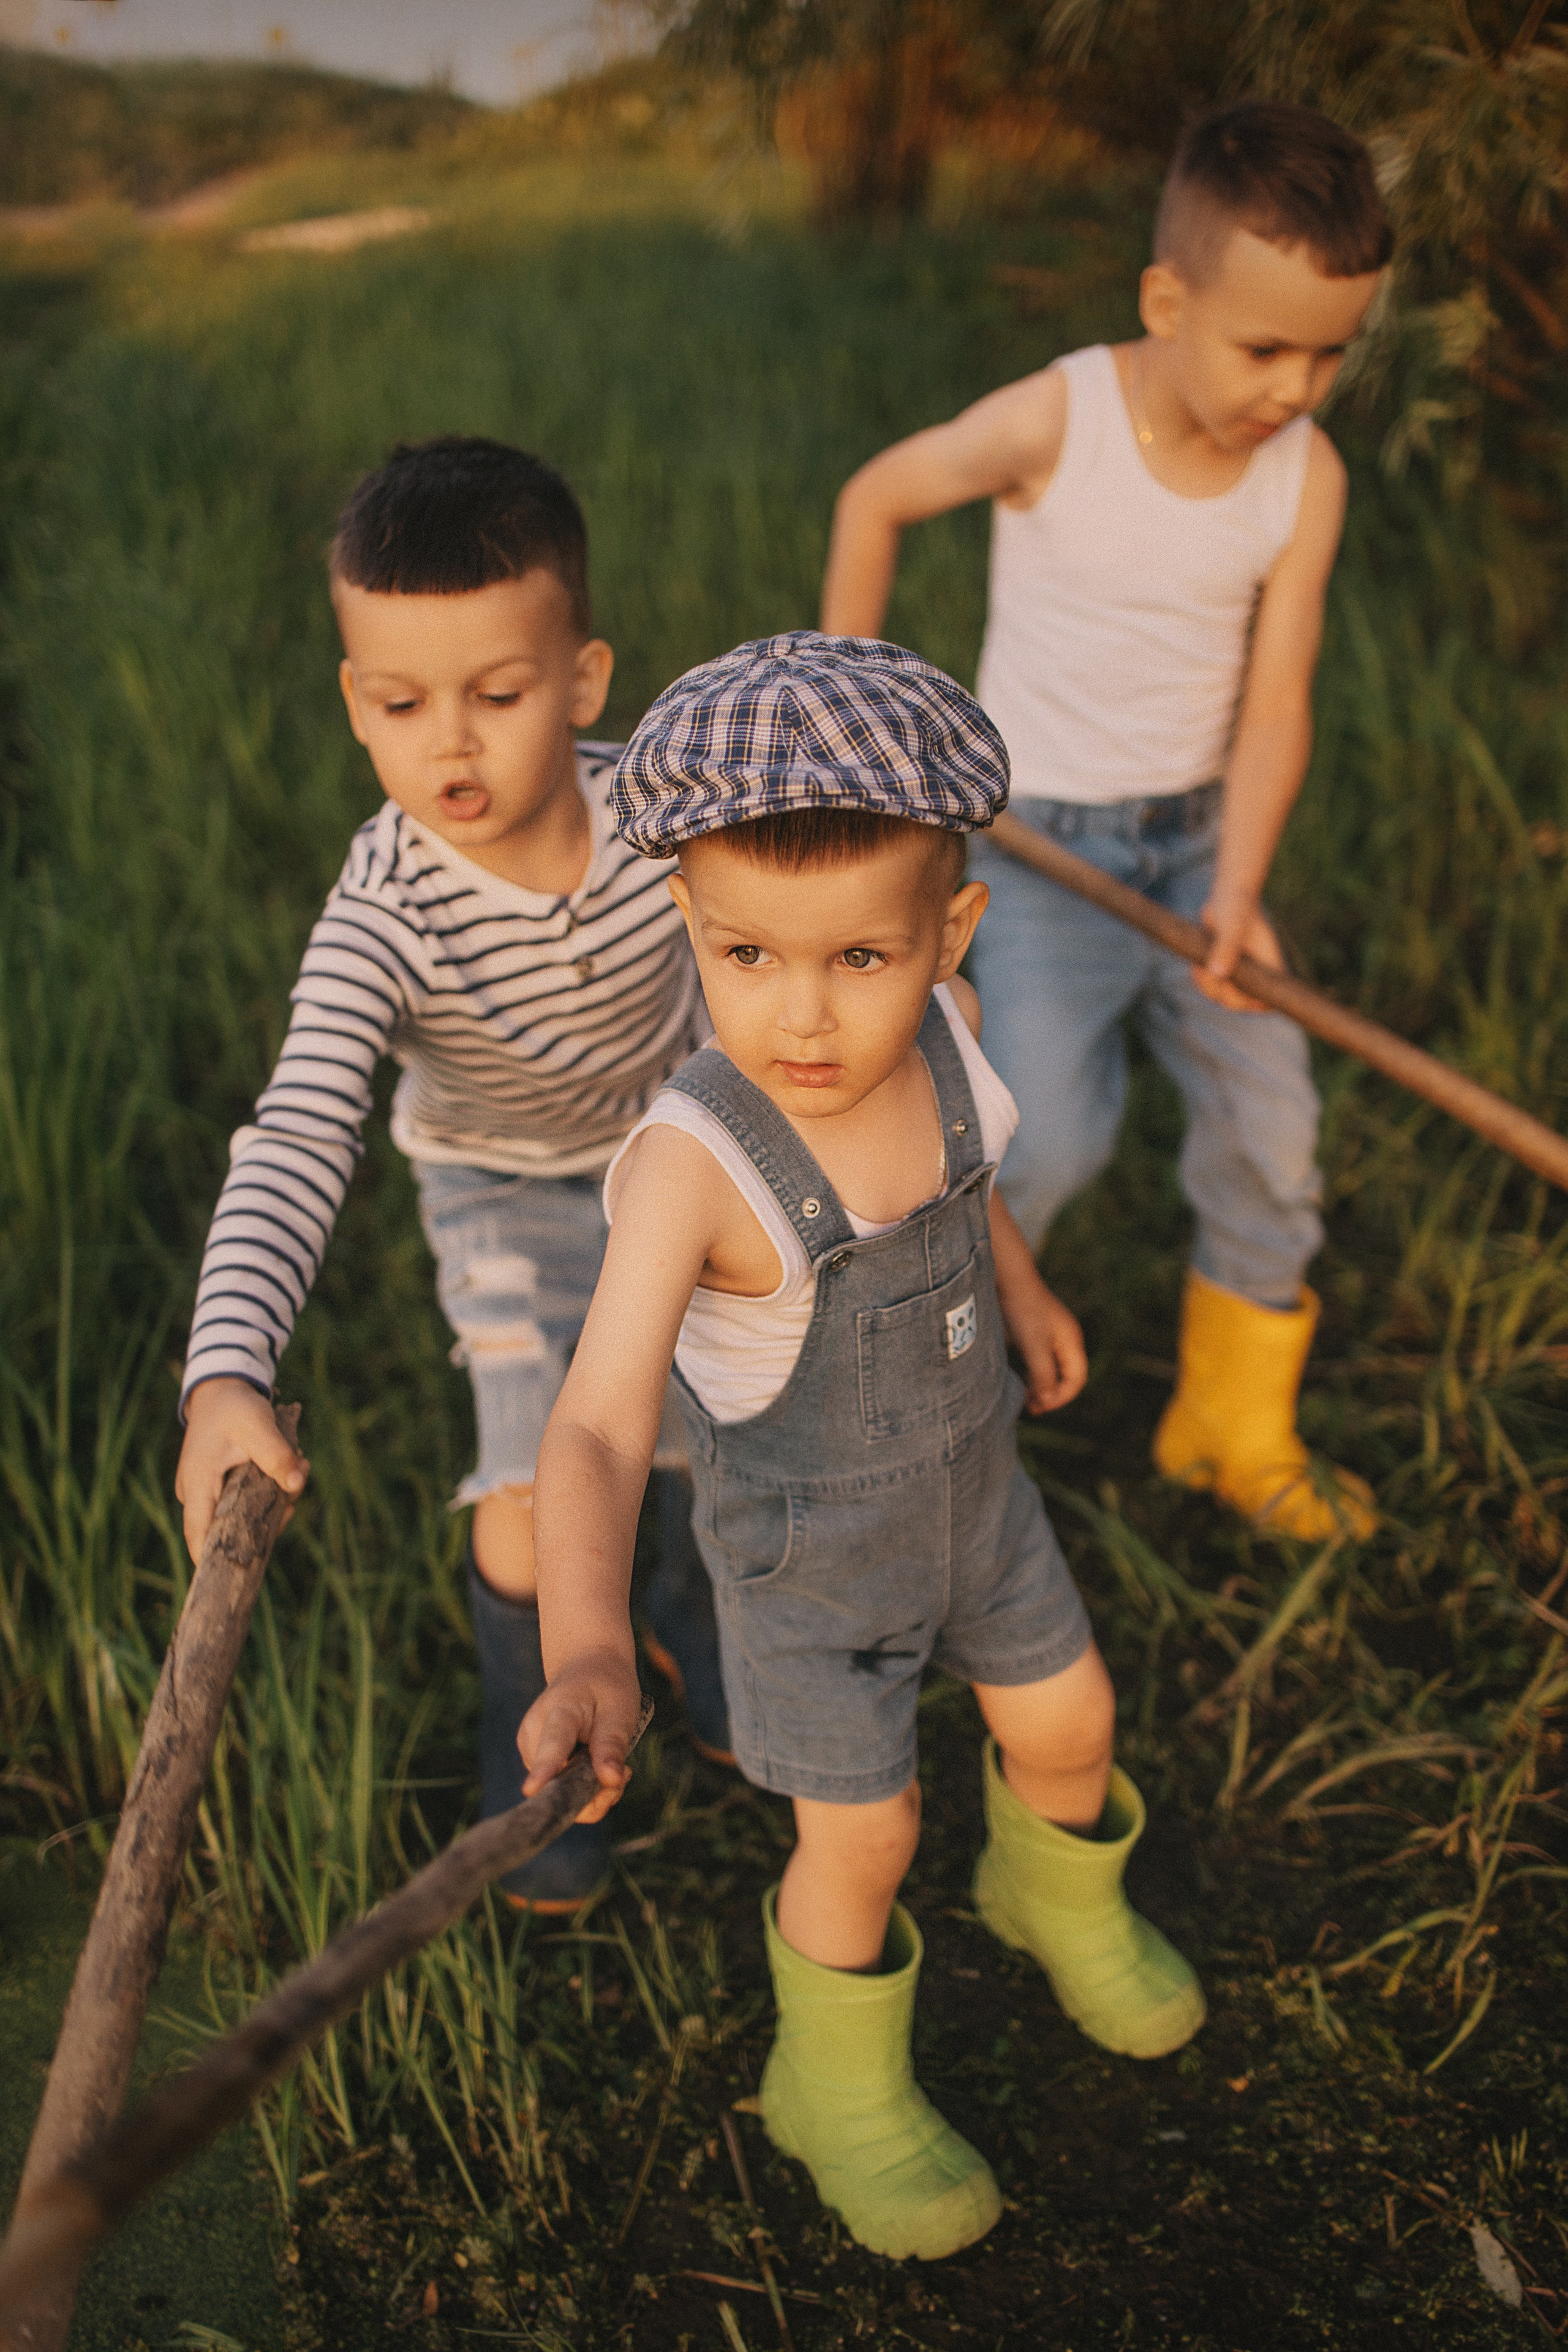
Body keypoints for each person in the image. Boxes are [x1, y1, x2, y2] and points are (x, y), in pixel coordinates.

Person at [519, 631, 1204, 2263]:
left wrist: (1019, 1285)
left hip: (980, 1504)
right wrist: (590, 1634)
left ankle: (1053, 1890)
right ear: (689, 924)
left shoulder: (954, 1041)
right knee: (868, 1832)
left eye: (859, 961)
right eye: (745, 957)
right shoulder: (696, 1162)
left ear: (947, 936)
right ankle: (830, 2084)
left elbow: (966, 1202)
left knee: (1070, 1717)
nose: (805, 1017)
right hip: (811, 1569)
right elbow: (602, 1419)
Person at [820, 100, 1394, 1543]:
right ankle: (933, 1409)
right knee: (1042, 1141)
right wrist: (850, 722)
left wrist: (1236, 887)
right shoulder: (1055, 419)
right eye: (1264, 348)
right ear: (1164, 300)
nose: (1294, 387)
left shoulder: (1303, 480)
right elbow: (874, 498)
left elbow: (1276, 702)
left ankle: (1228, 1422)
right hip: (1043, 857)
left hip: (1200, 850)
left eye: (1329, 353)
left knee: (1274, 1132)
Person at [174, 435, 731, 1912]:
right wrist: (225, 1366)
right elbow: (297, 1130)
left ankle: (674, 1611)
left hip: (676, 1158)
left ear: (584, 679)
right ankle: (532, 1731)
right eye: (402, 704)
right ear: (355, 700)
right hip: (499, 1191)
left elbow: (792, 916)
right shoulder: (385, 918)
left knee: (712, 1414)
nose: (454, 748)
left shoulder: (666, 823)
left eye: (498, 695)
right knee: (528, 1481)